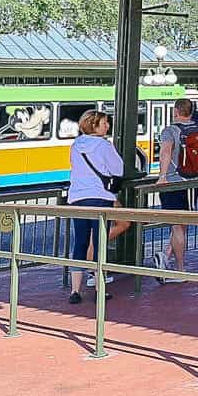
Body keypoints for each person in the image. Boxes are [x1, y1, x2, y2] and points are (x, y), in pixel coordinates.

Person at [155, 97, 198, 280]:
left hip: (173, 182)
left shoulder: (170, 131)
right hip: (193, 181)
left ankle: (180, 271)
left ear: (175, 112)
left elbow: (165, 152)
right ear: (191, 112)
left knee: (177, 226)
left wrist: (162, 176)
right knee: (182, 223)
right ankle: (166, 256)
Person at [67, 110, 133, 305]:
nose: (107, 126)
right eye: (104, 123)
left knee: (79, 243)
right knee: (99, 243)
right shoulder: (104, 145)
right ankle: (99, 288)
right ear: (94, 125)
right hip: (100, 198)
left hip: (77, 198)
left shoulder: (75, 145)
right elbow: (118, 169)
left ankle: (75, 291)